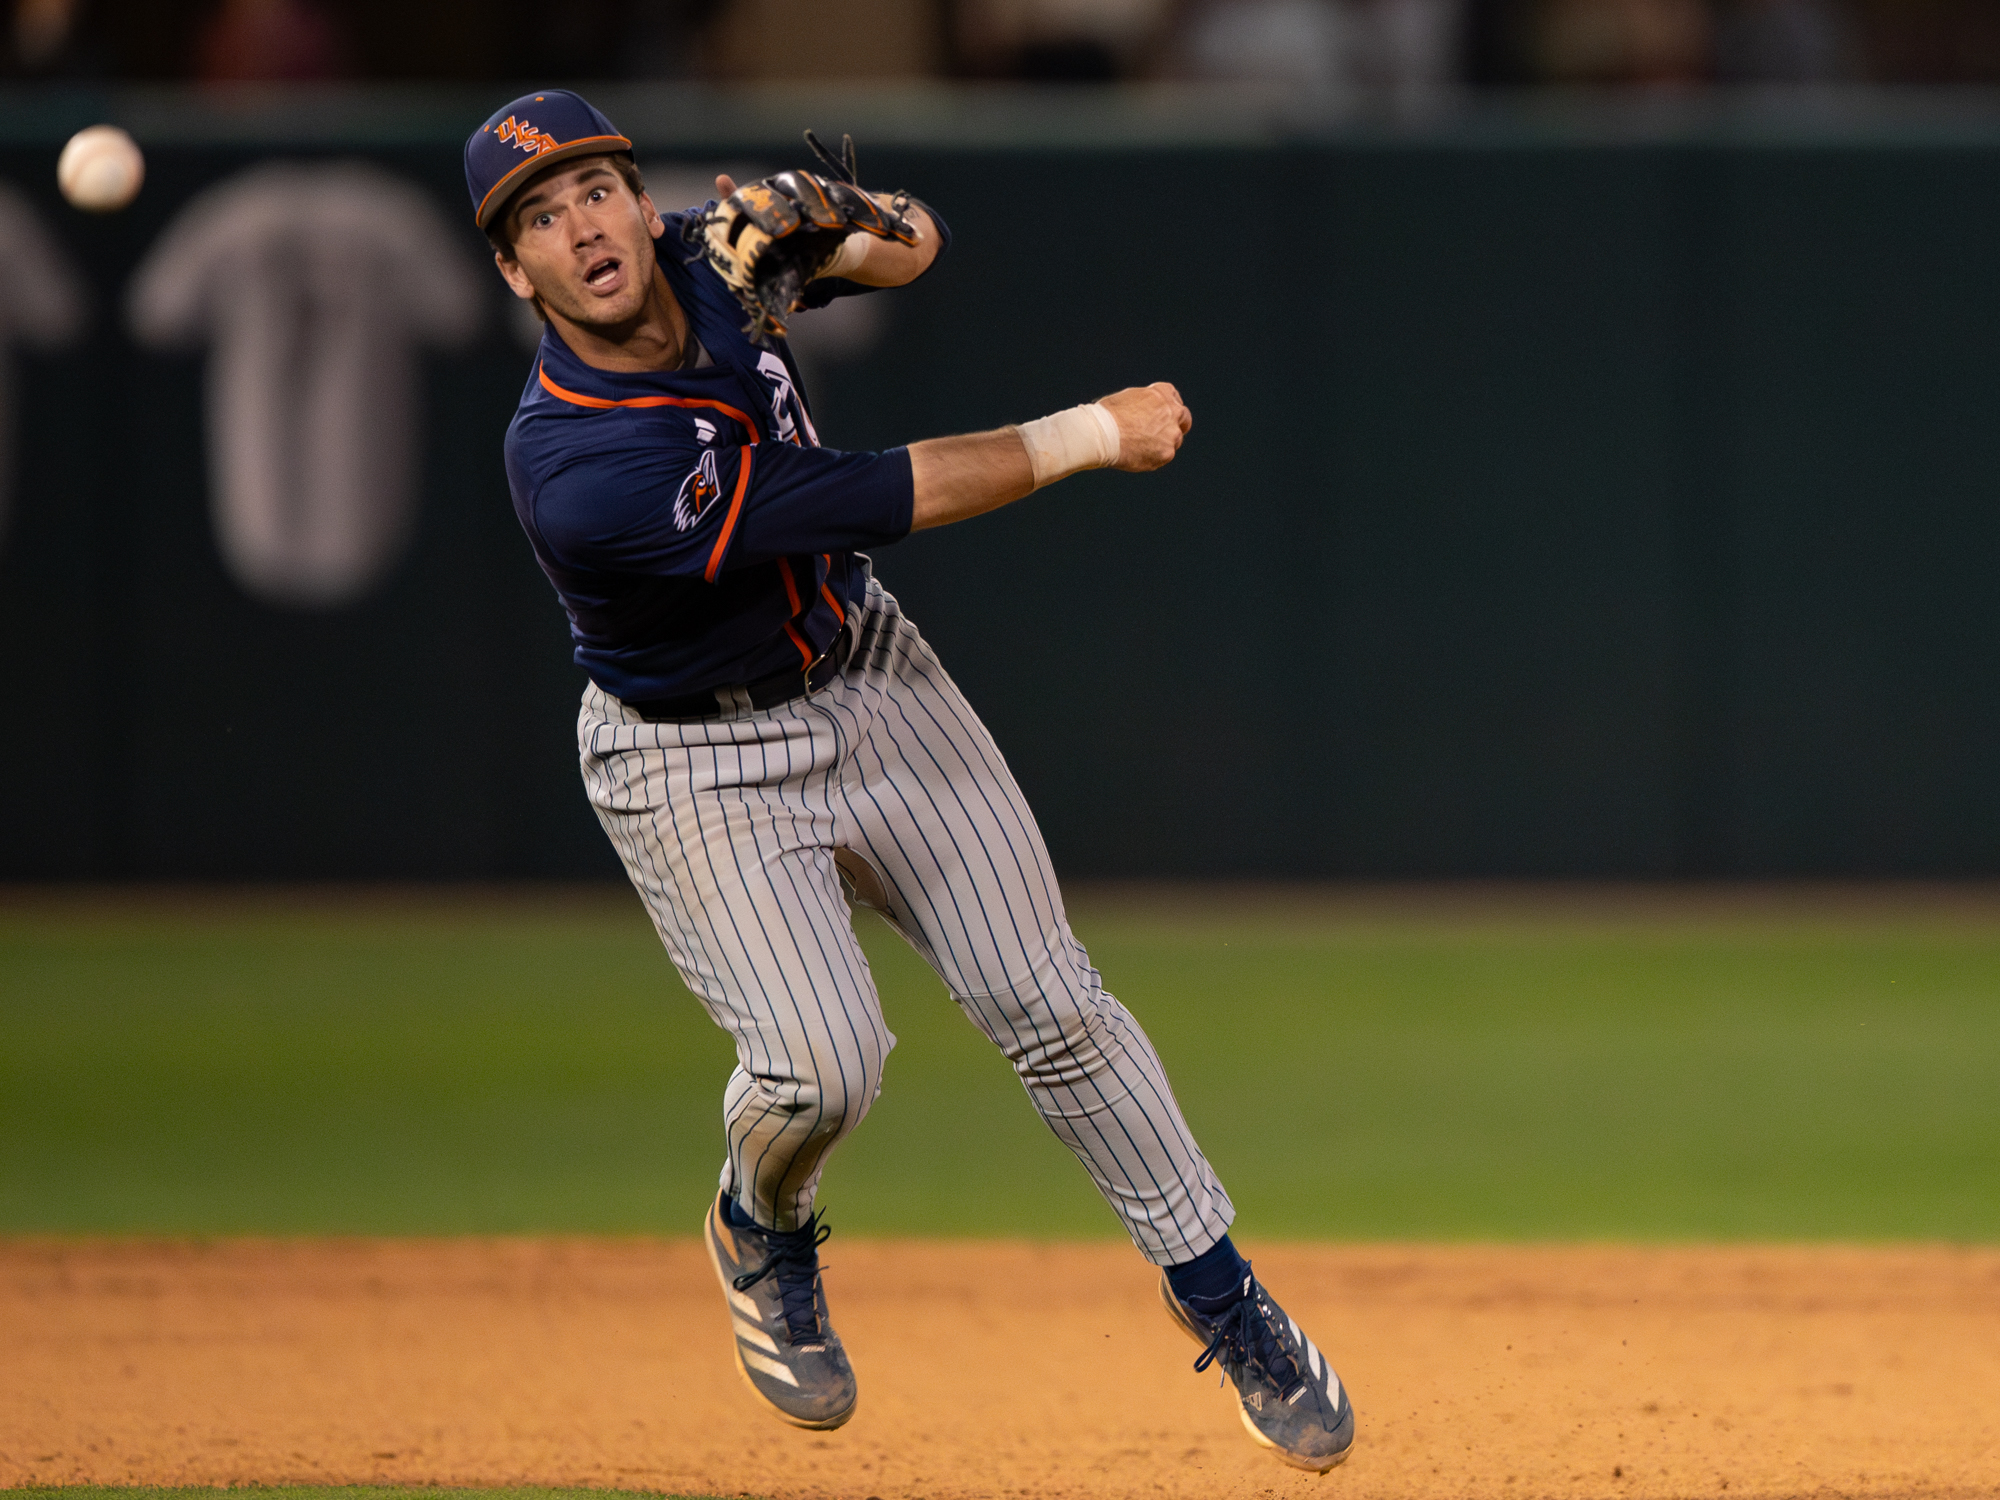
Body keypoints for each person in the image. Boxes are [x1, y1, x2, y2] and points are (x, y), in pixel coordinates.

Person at [462, 89, 1354, 1473]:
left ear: (638, 199)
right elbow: (880, 494)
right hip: (695, 762)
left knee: (1046, 1000)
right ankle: (759, 1227)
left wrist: (856, 220)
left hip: (869, 677)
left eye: (591, 191)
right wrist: (1086, 435)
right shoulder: (576, 463)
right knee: (823, 1071)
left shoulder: (705, 252)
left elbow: (915, 246)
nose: (577, 227)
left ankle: (1227, 1303)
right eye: (536, 219)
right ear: (514, 272)